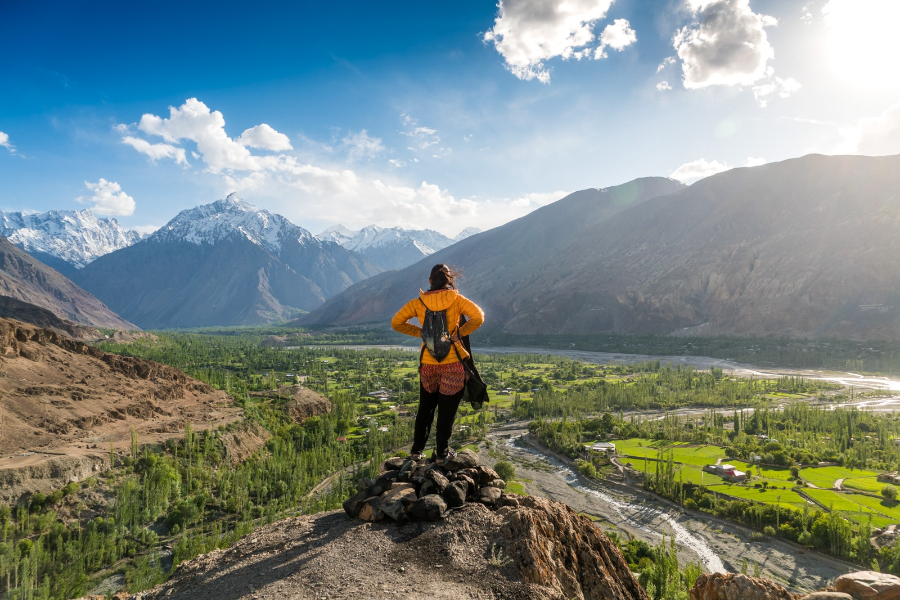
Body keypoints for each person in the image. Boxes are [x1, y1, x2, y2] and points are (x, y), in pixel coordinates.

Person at [391, 264, 484, 465]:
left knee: (426, 408)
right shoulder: (458, 300)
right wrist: (459, 333)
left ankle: (416, 451)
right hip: (452, 364)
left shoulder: (418, 303)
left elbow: (396, 323)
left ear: (430, 280)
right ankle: (442, 454)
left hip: (428, 364)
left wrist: (422, 334)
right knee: (446, 411)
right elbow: (478, 316)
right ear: (450, 280)